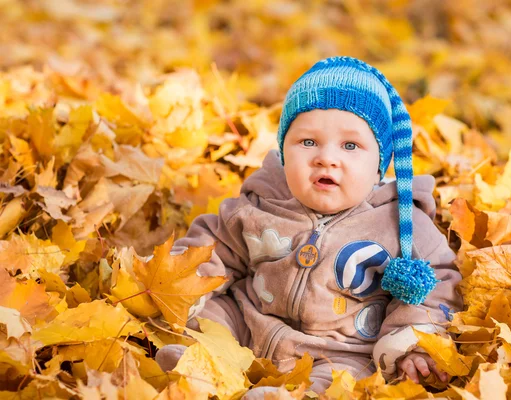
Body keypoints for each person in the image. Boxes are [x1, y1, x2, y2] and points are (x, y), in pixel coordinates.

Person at [155, 56, 462, 397]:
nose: (326, 157)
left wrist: (411, 340)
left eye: (350, 146)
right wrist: (185, 279)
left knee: (345, 382)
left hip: (341, 349)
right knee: (214, 316)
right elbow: (216, 242)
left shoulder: (400, 224)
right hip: (253, 321)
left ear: (379, 162)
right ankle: (203, 365)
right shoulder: (263, 201)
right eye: (308, 142)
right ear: (285, 151)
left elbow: (436, 283)